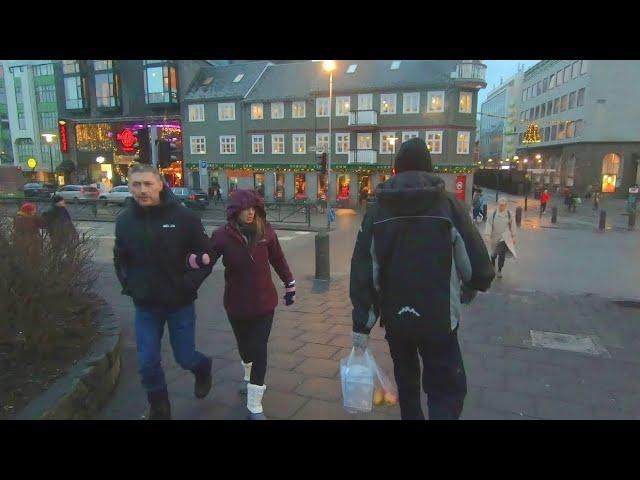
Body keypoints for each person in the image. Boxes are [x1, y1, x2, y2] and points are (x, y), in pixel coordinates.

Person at [349, 138, 494, 420]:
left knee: (407, 380)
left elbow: (365, 270)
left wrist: (362, 325)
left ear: (395, 170)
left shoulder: (378, 211)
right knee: (446, 388)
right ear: (430, 169)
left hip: (397, 318)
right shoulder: (447, 205)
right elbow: (477, 264)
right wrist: (473, 285)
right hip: (439, 318)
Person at [113, 163, 213, 420]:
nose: (142, 190)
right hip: (145, 304)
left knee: (185, 357)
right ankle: (159, 405)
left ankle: (202, 368)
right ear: (129, 186)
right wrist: (129, 284)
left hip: (179, 302)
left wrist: (189, 284)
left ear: (160, 183)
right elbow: (120, 257)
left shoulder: (184, 217)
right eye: (136, 184)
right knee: (147, 363)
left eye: (148, 183)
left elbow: (207, 256)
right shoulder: (124, 220)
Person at [187, 189, 295, 420]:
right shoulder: (222, 236)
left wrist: (290, 283)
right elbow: (208, 261)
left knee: (259, 349)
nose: (250, 213)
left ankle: (255, 404)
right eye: (245, 209)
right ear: (235, 212)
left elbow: (278, 259)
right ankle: (248, 375)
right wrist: (193, 270)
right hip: (236, 304)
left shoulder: (266, 231)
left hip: (265, 302)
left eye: (254, 209)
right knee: (245, 348)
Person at [484, 198, 517, 279]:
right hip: (495, 237)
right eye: (500, 205)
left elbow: (513, 226)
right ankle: (493, 264)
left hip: (504, 238)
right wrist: (487, 234)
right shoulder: (494, 214)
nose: (501, 207)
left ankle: (499, 270)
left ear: (506, 205)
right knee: (493, 255)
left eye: (503, 205)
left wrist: (514, 236)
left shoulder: (509, 214)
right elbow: (489, 224)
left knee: (501, 255)